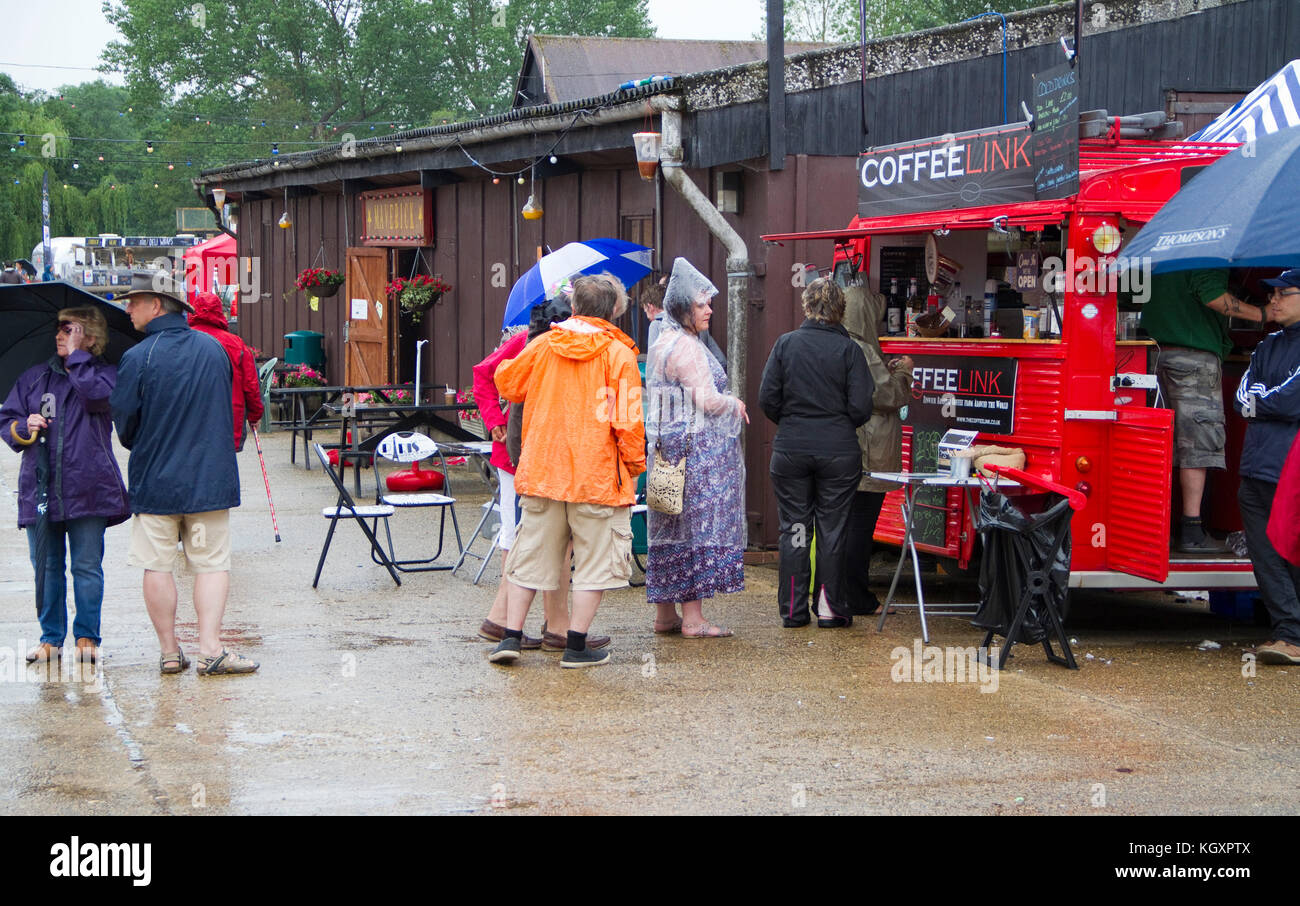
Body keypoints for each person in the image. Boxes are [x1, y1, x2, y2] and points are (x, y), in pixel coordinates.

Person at [489, 274, 646, 667]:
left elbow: (506, 383)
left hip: (542, 470)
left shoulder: (543, 346)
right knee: (594, 563)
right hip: (596, 475)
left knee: (531, 556)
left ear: (574, 307)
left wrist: (533, 348)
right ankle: (575, 645)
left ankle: (510, 637)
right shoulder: (619, 355)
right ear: (613, 311)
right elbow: (627, 421)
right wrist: (634, 465)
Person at [109, 271, 258, 676]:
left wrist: (145, 442)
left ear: (156, 305)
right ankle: (211, 649)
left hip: (156, 480)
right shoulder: (213, 350)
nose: (127, 309)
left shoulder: (137, 356)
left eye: (134, 301)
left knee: (156, 564)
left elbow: (124, 423)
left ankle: (170, 652)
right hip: (209, 479)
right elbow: (229, 410)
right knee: (210, 564)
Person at [472, 303, 610, 653]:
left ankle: (534, 623)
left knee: (544, 540)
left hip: (547, 458)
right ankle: (516, 623)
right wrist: (494, 421)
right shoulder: (530, 343)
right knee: (525, 539)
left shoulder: (559, 345)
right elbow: (484, 374)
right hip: (521, 458)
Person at [1, 307, 131, 664]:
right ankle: (50, 638)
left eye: (68, 329)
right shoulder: (34, 378)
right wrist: (24, 426)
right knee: (45, 566)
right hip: (40, 487)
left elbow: (94, 397)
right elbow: (6, 419)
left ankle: (87, 637)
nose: (59, 335)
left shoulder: (105, 375)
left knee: (86, 566)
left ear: (90, 337)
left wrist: (77, 359)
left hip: (89, 488)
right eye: (58, 329)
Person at [759, 277, 873, 628]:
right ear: (840, 310)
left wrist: (794, 422)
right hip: (838, 452)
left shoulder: (785, 344)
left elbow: (767, 400)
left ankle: (793, 611)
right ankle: (829, 607)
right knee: (832, 530)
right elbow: (861, 408)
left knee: (794, 529)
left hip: (792, 449)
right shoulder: (850, 350)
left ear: (807, 306)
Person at [645, 257, 749, 638]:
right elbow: (705, 400)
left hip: (668, 451)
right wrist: (733, 402)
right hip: (694, 454)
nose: (709, 309)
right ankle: (693, 619)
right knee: (693, 527)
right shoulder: (686, 346)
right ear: (683, 307)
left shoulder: (663, 340)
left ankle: (665, 615)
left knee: (669, 524)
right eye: (702, 303)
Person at [1141, 269, 1263, 552]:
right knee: (1197, 446)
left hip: (1150, 353)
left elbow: (1126, 292)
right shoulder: (1210, 247)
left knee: (1154, 444)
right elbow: (1212, 296)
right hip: (1194, 357)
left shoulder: (1160, 244)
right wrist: (1264, 313)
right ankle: (1192, 531)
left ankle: (1152, 528)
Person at [1234, 268, 1300, 665]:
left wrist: (1261, 402)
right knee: (1266, 554)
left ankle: (1292, 636)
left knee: (1291, 552)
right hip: (1256, 466)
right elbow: (1244, 397)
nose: (1272, 301)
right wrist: (1263, 403)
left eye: (1283, 294)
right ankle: (1288, 633)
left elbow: (1288, 402)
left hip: (1290, 469)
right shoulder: (1268, 344)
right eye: (1271, 294)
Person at [841, 282, 913, 616]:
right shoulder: (864, 351)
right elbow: (888, 397)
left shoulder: (845, 343)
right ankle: (857, 596)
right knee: (862, 526)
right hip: (870, 450)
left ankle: (840, 593)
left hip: (850, 450)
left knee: (849, 525)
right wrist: (903, 372)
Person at [188, 290, 264, 451]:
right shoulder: (236, 344)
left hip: (190, 421)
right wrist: (255, 415)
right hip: (227, 420)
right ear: (219, 312)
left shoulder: (183, 340)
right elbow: (251, 384)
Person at [645, 275, 727, 370]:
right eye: (702, 305)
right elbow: (721, 361)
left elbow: (654, 369)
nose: (709, 311)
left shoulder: (658, 325)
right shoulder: (698, 327)